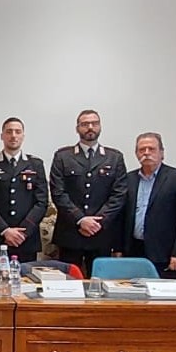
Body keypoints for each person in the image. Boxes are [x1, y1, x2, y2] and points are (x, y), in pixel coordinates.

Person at [49, 109, 127, 277]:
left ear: (100, 127)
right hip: (70, 233)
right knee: (68, 285)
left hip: (102, 234)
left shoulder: (114, 157)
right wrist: (80, 219)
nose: (90, 127)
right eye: (85, 124)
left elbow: (119, 194)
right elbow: (58, 192)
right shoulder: (63, 156)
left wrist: (97, 222)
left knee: (100, 284)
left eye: (94, 123)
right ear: (77, 128)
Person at [114, 132, 176, 279]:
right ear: (136, 154)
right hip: (133, 251)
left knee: (164, 292)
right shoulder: (128, 179)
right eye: (142, 150)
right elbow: (121, 217)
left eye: (151, 149)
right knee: (132, 291)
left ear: (161, 153)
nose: (146, 153)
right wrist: (118, 249)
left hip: (164, 253)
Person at [0, 118, 48, 276]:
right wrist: (5, 230)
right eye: (9, 132)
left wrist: (23, 232)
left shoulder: (35, 164)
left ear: (23, 136)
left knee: (27, 284)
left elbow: (42, 202)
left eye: (17, 132)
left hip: (27, 240)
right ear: (2, 136)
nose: (13, 135)